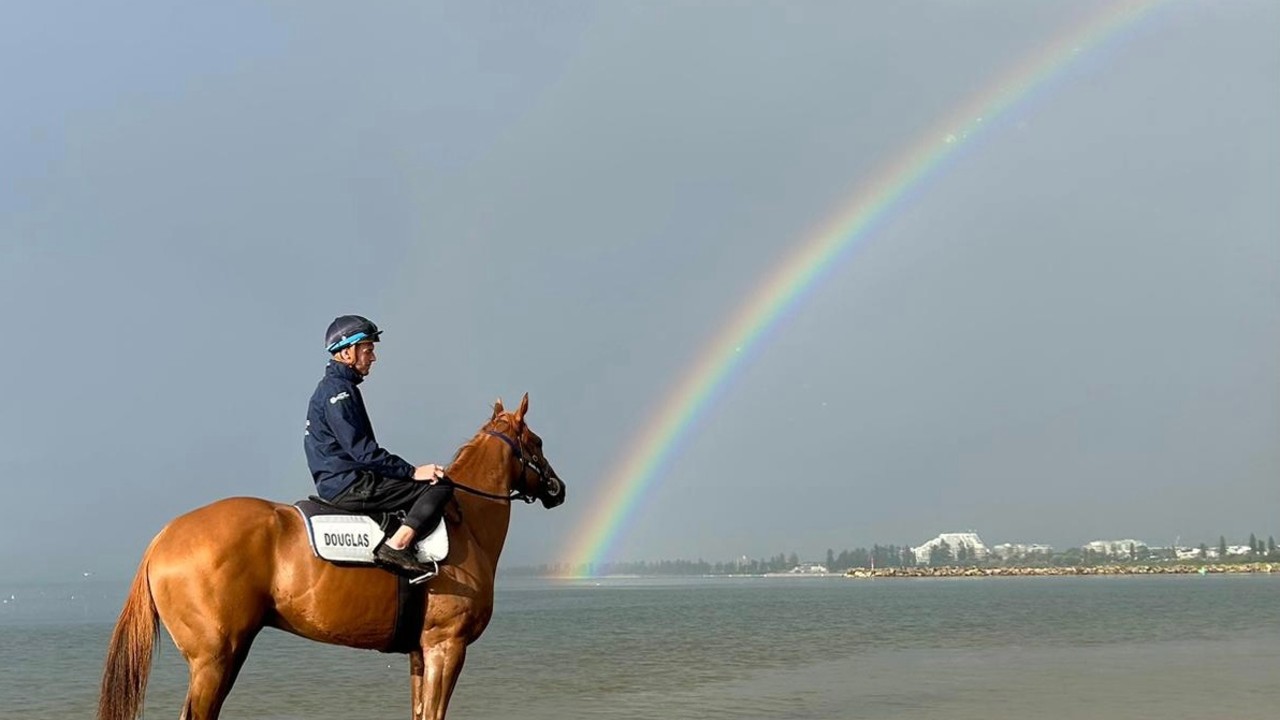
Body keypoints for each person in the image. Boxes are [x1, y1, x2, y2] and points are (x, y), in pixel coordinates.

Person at [304, 314, 453, 574]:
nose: (373, 357)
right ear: (348, 352)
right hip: (351, 484)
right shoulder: (339, 391)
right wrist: (412, 472)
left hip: (339, 481)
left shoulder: (332, 388)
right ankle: (397, 545)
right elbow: (362, 452)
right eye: (368, 350)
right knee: (439, 486)